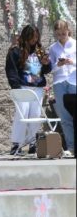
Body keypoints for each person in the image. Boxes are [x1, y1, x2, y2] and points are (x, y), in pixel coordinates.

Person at [5, 24, 52, 155]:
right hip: (22, 87)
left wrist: (47, 64)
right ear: (26, 36)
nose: (34, 40)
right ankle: (16, 144)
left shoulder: (39, 50)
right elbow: (11, 70)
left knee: (35, 115)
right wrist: (16, 87)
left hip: (37, 88)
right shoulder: (16, 50)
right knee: (22, 114)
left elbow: (47, 70)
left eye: (37, 37)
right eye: (32, 37)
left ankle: (33, 144)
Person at [49, 20, 76, 156]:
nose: (62, 36)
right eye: (58, 34)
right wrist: (58, 65)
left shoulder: (75, 44)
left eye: (64, 33)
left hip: (74, 82)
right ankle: (71, 148)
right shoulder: (53, 48)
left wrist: (72, 62)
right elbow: (50, 69)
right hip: (59, 83)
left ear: (68, 30)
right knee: (65, 117)